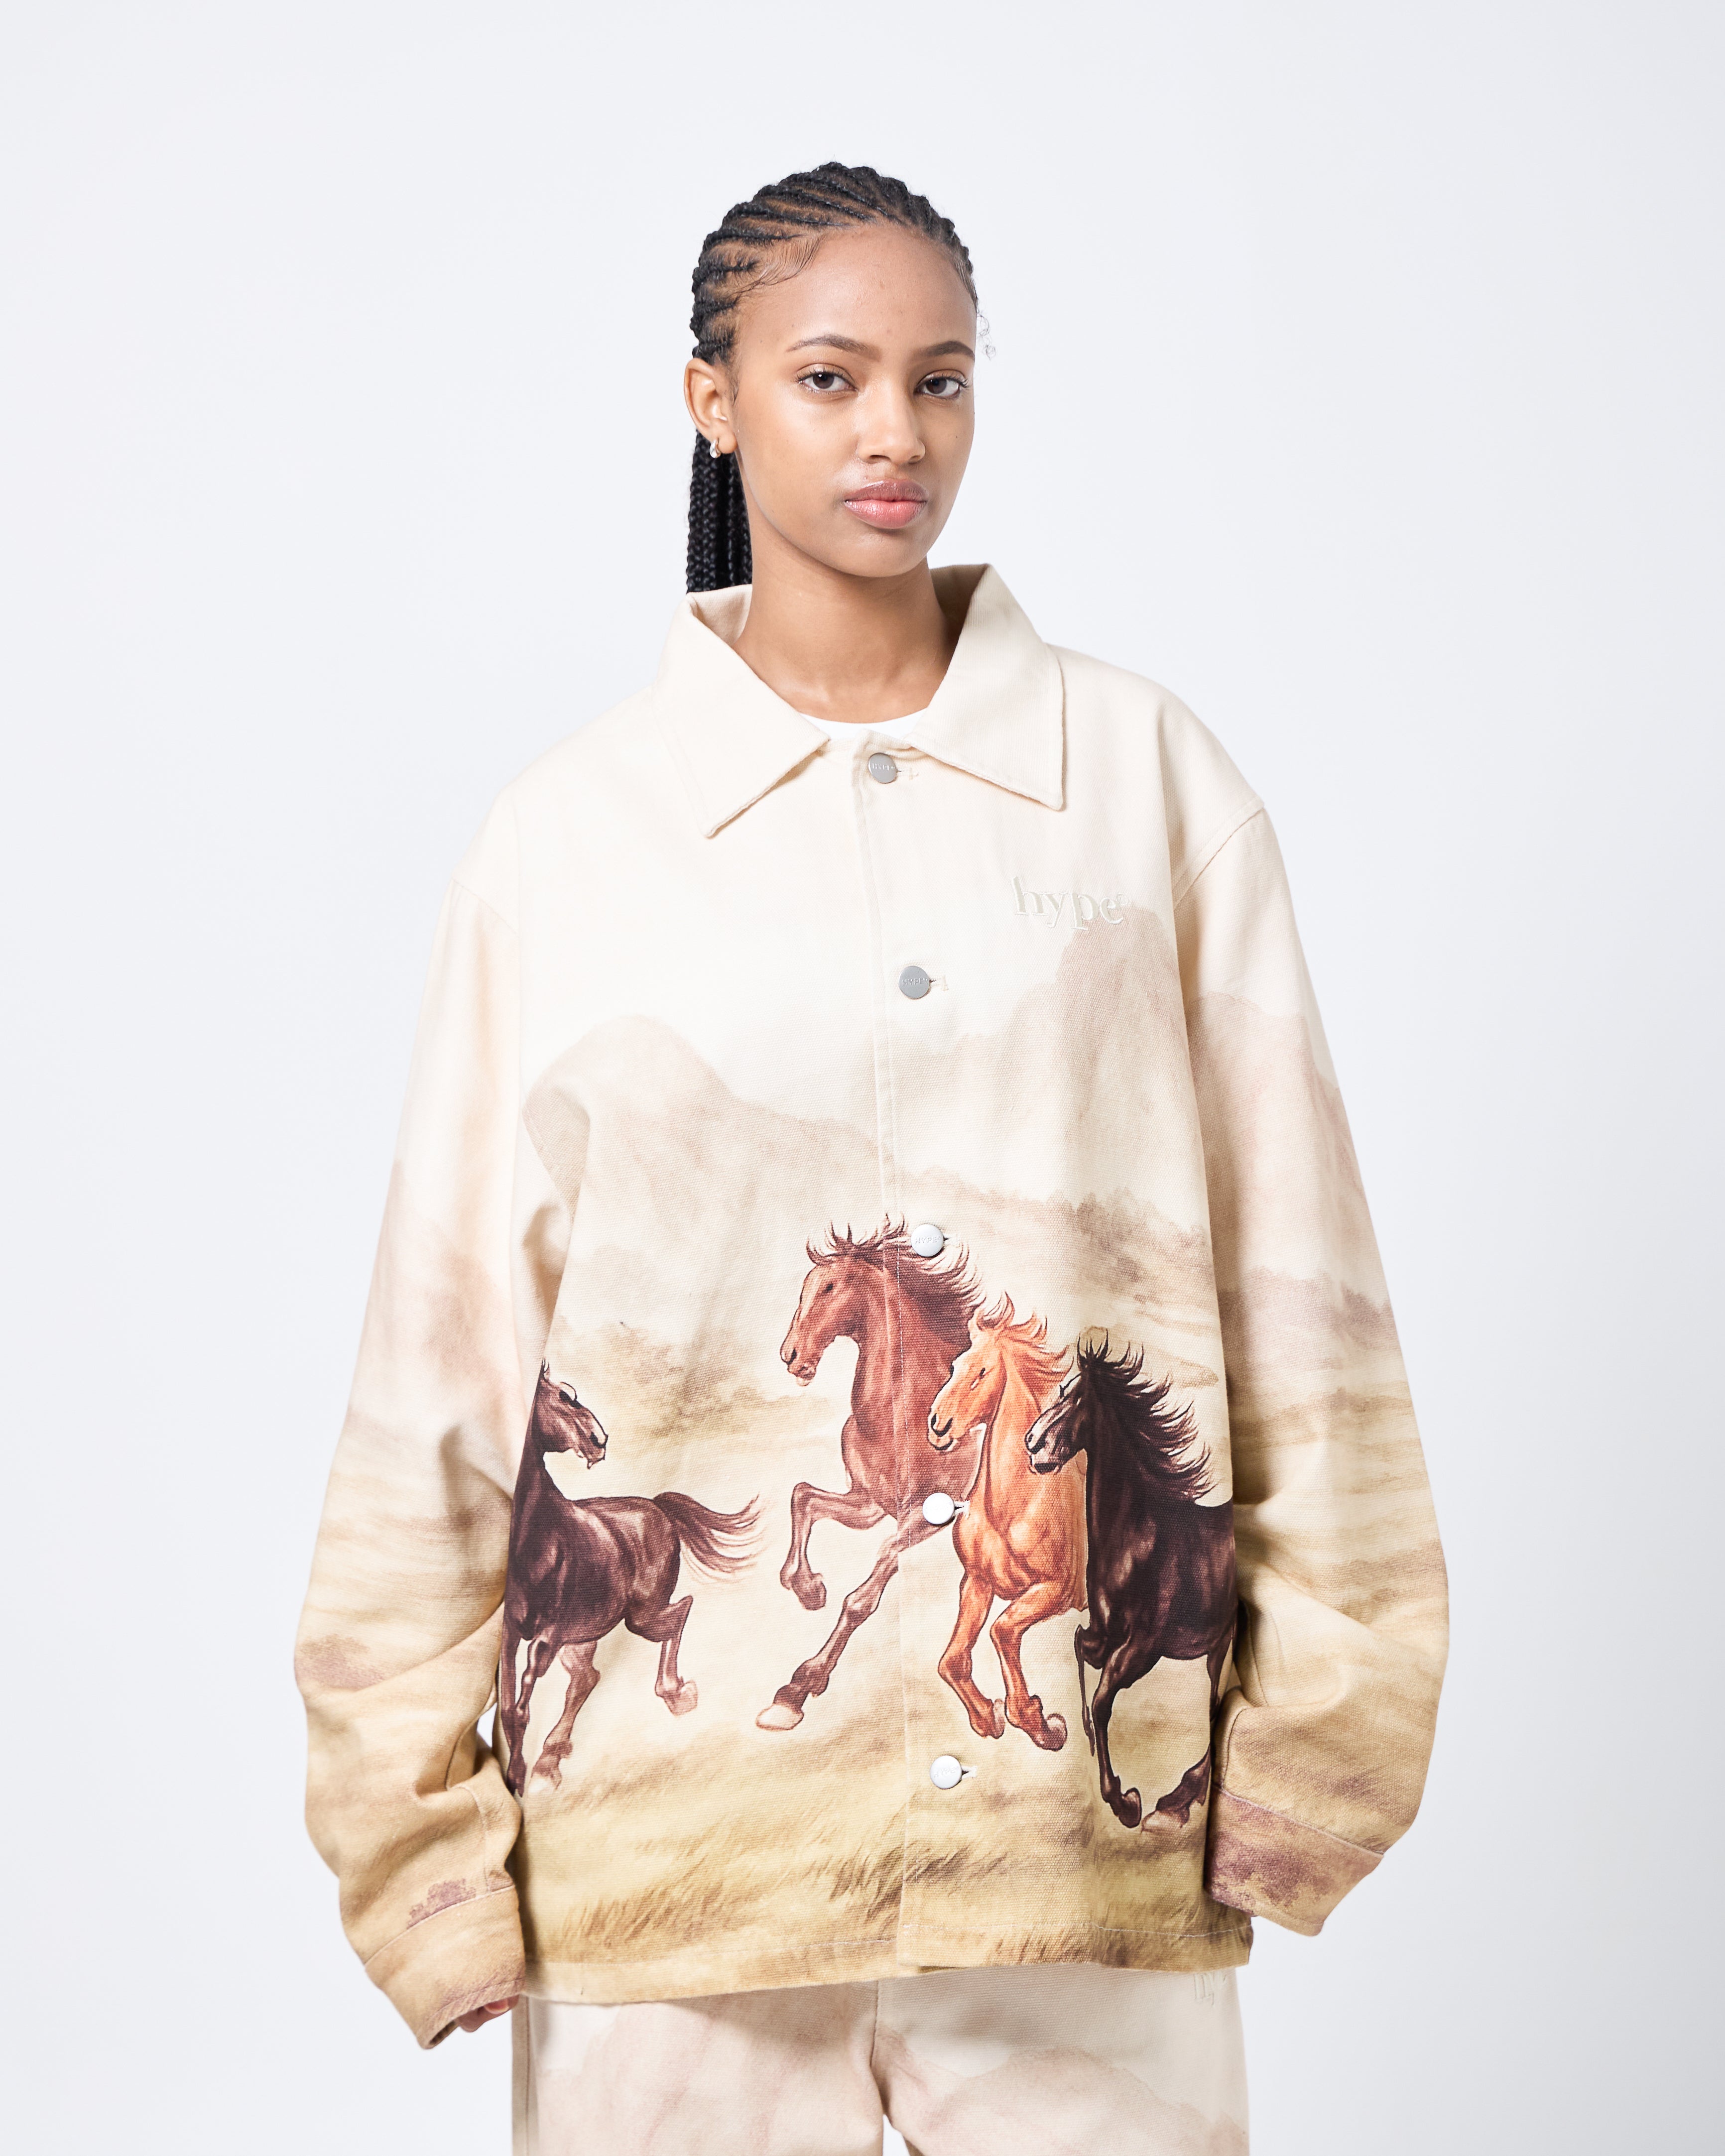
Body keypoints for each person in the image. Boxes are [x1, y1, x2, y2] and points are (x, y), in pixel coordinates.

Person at [296, 162, 1447, 2156]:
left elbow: (1305, 1297)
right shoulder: (568, 842)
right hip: (672, 1897)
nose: (894, 432)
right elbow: (446, 1361)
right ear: (711, 399)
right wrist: (416, 1851)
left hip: (1078, 1881)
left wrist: (1314, 1757)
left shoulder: (1148, 786)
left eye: (940, 378)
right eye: (828, 377)